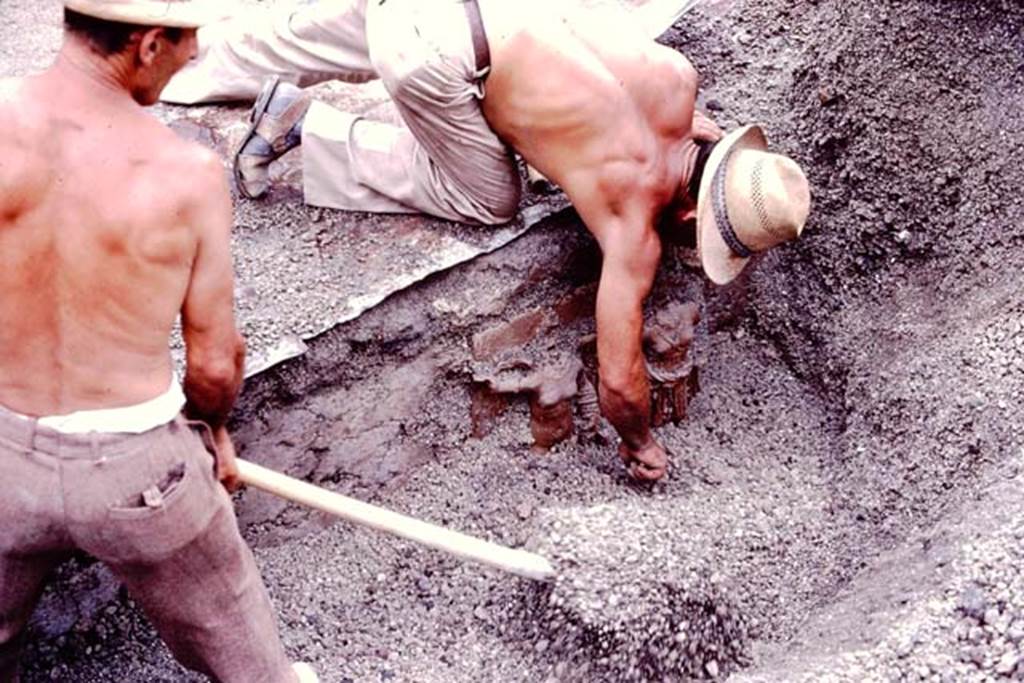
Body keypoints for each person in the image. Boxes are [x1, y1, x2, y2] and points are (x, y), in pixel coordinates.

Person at [162, 0, 811, 482]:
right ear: (690, 217)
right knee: (490, 197)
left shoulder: (676, 78)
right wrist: (641, 443)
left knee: (343, 29)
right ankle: (308, 126)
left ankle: (173, 61)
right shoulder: (634, 222)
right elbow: (617, 379)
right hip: (430, 56)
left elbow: (691, 130)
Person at [0, 1, 316, 680]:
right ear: (145, 45)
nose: (196, 53)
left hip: (5, 459)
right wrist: (212, 433)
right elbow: (211, 360)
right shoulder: (186, 176)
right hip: (137, 473)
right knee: (241, 645)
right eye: (189, 37)